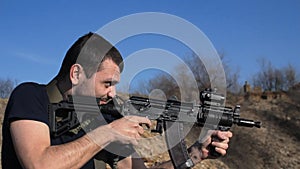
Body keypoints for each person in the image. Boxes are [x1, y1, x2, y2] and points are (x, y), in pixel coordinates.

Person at [1, 32, 232, 169]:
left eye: (115, 85)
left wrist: (195, 154)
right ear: (76, 74)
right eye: (107, 83)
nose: (112, 93)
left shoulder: (102, 119)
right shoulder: (31, 96)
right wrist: (108, 133)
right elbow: (39, 164)